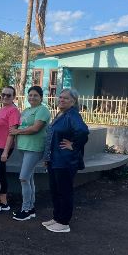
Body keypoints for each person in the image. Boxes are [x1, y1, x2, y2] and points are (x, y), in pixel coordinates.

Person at [42, 88, 89, 233]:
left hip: (65, 161)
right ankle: (57, 218)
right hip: (54, 160)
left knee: (64, 191)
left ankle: (64, 222)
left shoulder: (72, 115)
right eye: (60, 97)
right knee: (56, 190)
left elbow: (83, 131)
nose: (61, 100)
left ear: (73, 101)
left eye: (66, 98)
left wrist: (73, 145)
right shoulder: (61, 114)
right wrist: (47, 157)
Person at [9, 86, 51, 220]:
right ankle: (31, 208)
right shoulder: (26, 110)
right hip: (23, 147)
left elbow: (35, 128)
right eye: (30, 95)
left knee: (23, 178)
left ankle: (25, 209)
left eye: (35, 95)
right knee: (29, 178)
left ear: (41, 97)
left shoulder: (43, 110)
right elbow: (21, 124)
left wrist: (18, 131)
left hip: (34, 148)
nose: (32, 97)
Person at [0, 85, 21, 215]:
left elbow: (12, 133)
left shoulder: (13, 111)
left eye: (8, 95)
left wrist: (6, 152)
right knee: (0, 173)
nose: (5, 97)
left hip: (3, 147)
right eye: (3, 94)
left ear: (14, 97)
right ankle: (4, 201)